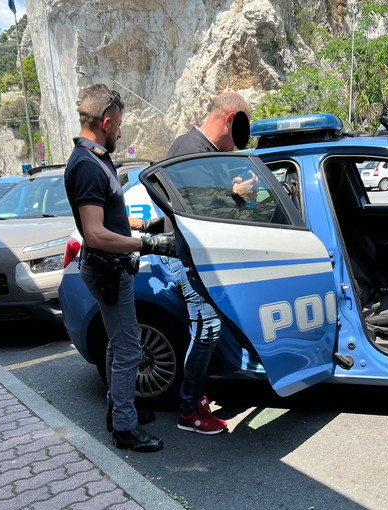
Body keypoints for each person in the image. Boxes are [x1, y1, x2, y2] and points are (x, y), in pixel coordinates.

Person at [64, 84, 176, 452]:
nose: (121, 132)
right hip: (108, 270)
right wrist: (150, 244)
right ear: (106, 121)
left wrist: (146, 226)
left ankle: (119, 409)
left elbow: (109, 220)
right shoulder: (87, 166)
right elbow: (95, 234)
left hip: (110, 268)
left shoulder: (94, 159)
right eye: (120, 125)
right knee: (129, 350)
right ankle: (124, 428)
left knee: (117, 345)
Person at [167, 91, 251, 435]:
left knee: (208, 330)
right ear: (230, 120)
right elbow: (195, 213)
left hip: (205, 259)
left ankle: (198, 396)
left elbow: (210, 203)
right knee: (207, 330)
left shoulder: (203, 153)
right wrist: (235, 197)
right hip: (192, 260)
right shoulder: (190, 151)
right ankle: (188, 410)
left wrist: (230, 192)